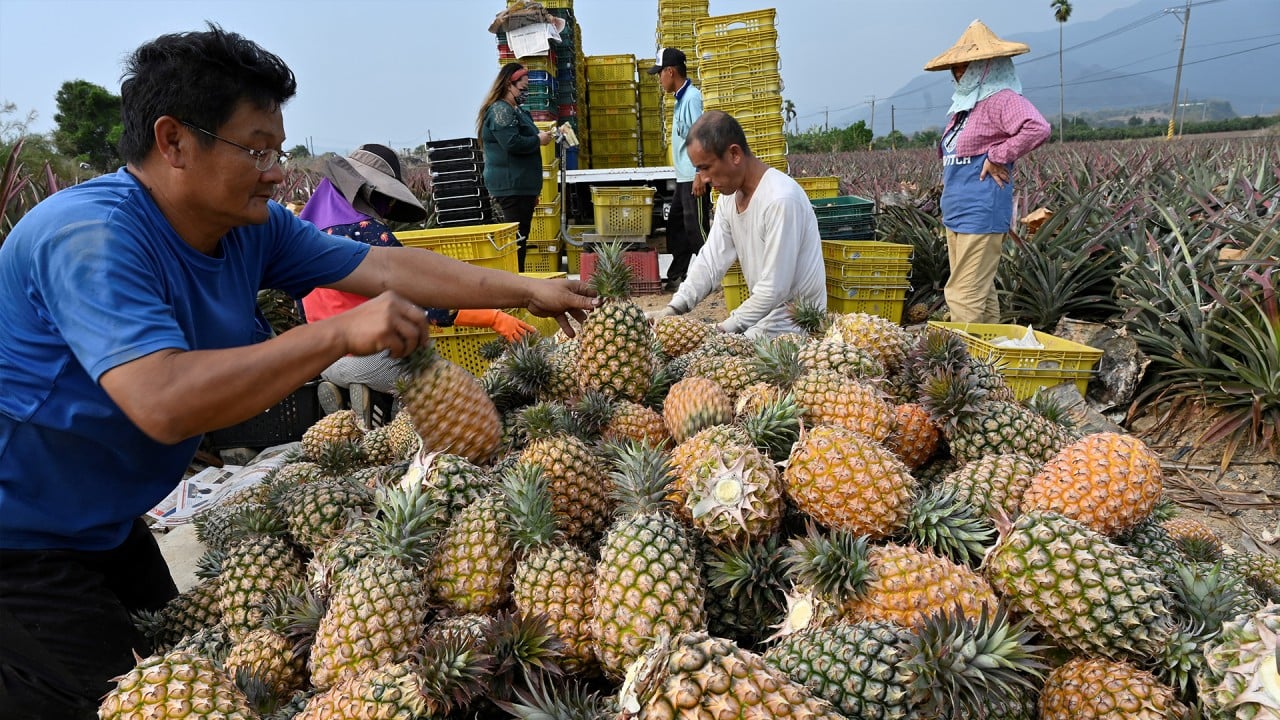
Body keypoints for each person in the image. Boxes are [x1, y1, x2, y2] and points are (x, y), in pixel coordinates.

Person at [0, 25, 594, 719]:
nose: (278, 171)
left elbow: (387, 266)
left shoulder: (250, 227)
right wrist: (334, 333)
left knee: (190, 681)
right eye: (256, 149)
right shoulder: (91, 237)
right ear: (174, 142)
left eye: (277, 150)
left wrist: (528, 290)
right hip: (19, 537)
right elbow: (159, 399)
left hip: (104, 521)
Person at [298, 143, 534, 426]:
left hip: (324, 360)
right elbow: (423, 302)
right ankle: (383, 396)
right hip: (373, 360)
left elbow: (302, 308)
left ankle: (365, 399)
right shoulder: (365, 232)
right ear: (365, 191)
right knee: (473, 393)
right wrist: (494, 317)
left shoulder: (304, 235)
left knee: (407, 389)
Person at [645, 111, 825, 339]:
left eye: (706, 167)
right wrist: (673, 308)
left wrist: (723, 329)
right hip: (759, 326)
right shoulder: (729, 199)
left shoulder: (780, 199)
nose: (703, 178)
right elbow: (710, 261)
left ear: (734, 154)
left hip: (791, 332)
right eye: (698, 170)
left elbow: (774, 288)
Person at [924, 19, 1051, 324]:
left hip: (980, 209)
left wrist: (998, 155)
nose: (959, 72)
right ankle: (994, 359)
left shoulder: (1002, 99)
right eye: (957, 67)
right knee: (979, 292)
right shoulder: (965, 107)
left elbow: (1038, 127)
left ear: (990, 66)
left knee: (963, 293)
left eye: (967, 66)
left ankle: (959, 367)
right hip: (957, 211)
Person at [478, 62, 553, 272]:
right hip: (511, 187)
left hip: (522, 188)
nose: (525, 92)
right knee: (514, 242)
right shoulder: (501, 110)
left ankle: (516, 281)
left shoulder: (516, 110)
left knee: (520, 239)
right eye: (522, 88)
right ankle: (514, 285)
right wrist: (538, 140)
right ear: (509, 85)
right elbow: (511, 143)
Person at [648, 48, 710, 291]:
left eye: (660, 74)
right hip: (683, 176)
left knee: (696, 229)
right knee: (676, 225)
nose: (659, 79)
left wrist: (700, 173)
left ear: (670, 71)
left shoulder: (692, 98)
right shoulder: (680, 99)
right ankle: (676, 275)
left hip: (693, 176)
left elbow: (700, 137)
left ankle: (711, 275)